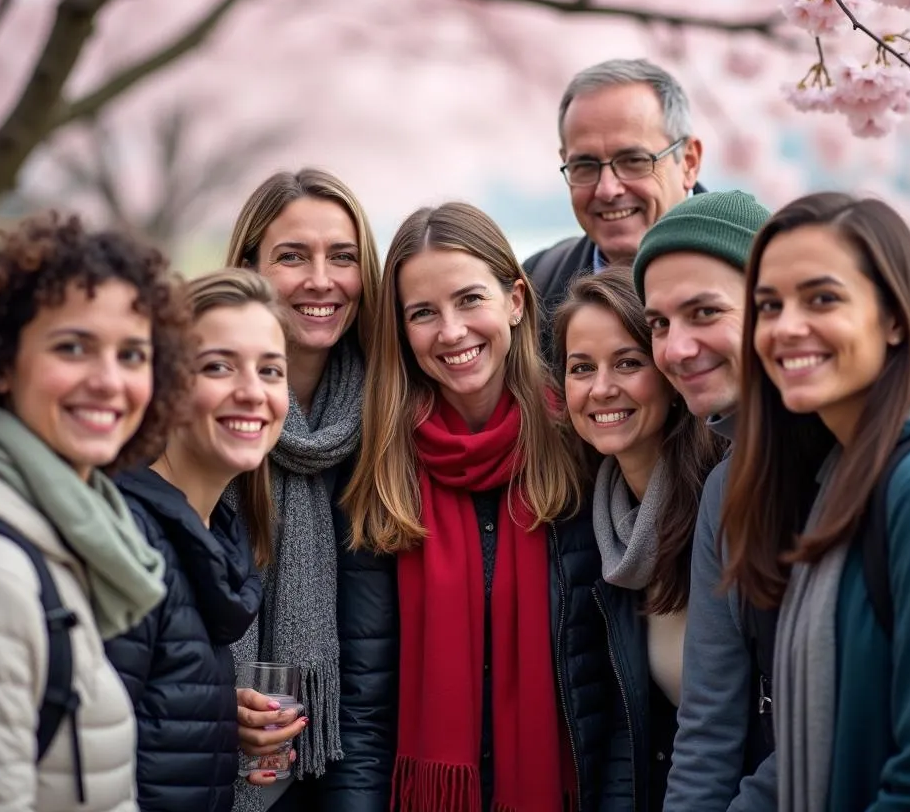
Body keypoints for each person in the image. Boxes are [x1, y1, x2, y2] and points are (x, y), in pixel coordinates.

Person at [343, 201, 633, 812]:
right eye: (423, 313)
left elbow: (617, 694)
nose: (451, 331)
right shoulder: (380, 467)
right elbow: (364, 703)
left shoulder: (585, 447)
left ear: (517, 301)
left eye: (470, 299)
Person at [720, 192, 910, 812]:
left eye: (823, 298)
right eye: (768, 306)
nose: (786, 328)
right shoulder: (835, 474)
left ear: (894, 317)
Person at [0, 212, 192, 812]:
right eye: (73, 347)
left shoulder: (63, 528)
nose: (109, 381)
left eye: (133, 355)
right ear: (1, 362)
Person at [224, 169, 392, 812]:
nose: (322, 280)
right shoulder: (207, 422)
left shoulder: (387, 414)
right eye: (292, 256)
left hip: (353, 770)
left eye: (342, 257)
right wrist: (218, 699)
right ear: (250, 268)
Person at [105, 269, 295, 812]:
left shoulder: (208, 535)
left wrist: (206, 711)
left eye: (270, 370)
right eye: (218, 366)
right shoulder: (130, 543)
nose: (252, 392)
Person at [629, 190, 781, 812]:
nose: (675, 349)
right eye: (660, 324)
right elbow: (708, 727)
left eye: (704, 311)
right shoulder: (727, 488)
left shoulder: (884, 472)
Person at [554, 267, 724, 812]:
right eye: (582, 368)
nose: (601, 388)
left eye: (628, 363)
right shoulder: (599, 525)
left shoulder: (723, 505)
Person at [524, 58, 704, 361]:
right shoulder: (537, 286)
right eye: (584, 166)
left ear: (688, 161)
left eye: (633, 160)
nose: (607, 189)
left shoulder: (755, 273)